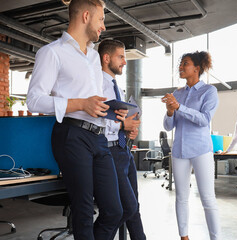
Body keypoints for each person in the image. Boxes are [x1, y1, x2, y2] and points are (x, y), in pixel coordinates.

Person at [26, 1, 125, 239]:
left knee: (114, 211)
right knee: (83, 213)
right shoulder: (52, 52)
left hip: (98, 137)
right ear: (86, 16)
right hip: (71, 136)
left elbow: (93, 101)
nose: (103, 25)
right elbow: (34, 101)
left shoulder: (93, 57)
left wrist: (112, 111)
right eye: (101, 19)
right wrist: (80, 103)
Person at [162, 51, 221, 240]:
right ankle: (184, 237)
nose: (180, 66)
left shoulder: (209, 91)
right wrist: (170, 111)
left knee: (208, 198)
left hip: (201, 150)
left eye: (184, 63)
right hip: (179, 151)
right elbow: (168, 125)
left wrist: (179, 107)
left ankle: (215, 238)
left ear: (196, 68)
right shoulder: (177, 93)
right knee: (181, 197)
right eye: (180, 63)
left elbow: (204, 120)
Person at [98, 39, 147, 240]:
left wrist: (128, 130)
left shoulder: (115, 86)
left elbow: (119, 118)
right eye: (121, 57)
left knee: (134, 206)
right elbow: (93, 121)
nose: (125, 62)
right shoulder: (96, 84)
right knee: (126, 208)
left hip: (123, 149)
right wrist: (121, 126)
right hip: (108, 151)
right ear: (106, 57)